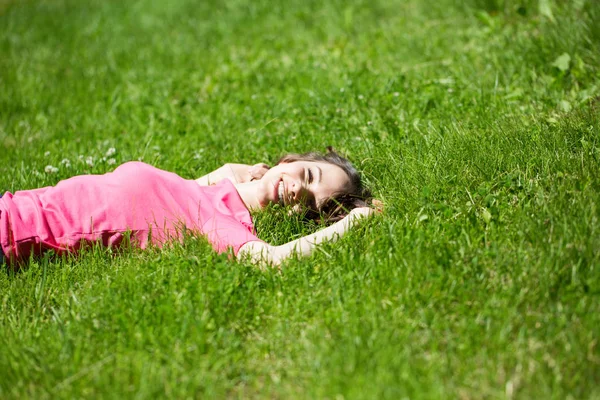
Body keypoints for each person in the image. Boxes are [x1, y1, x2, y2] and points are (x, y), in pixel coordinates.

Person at [0, 148, 376, 268]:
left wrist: (357, 219)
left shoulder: (216, 220)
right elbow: (178, 191)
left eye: (310, 202)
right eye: (307, 175)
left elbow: (270, 261)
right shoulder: (207, 194)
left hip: (10, 235)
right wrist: (237, 174)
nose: (298, 190)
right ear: (288, 159)